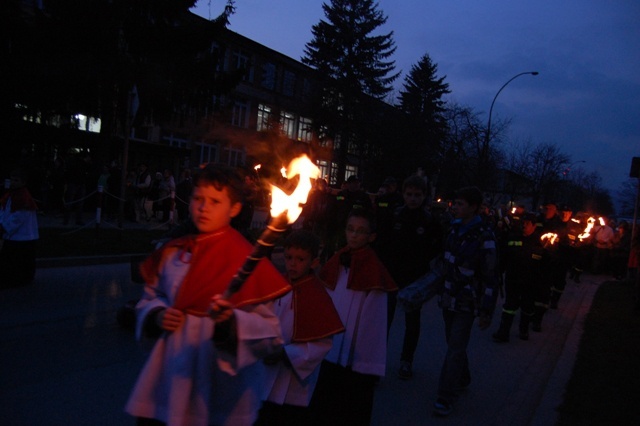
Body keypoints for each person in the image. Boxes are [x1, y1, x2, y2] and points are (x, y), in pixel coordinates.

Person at [125, 163, 291, 426]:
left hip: (217, 383)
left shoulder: (245, 259)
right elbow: (150, 296)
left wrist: (230, 323)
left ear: (234, 208)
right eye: (198, 199)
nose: (204, 207)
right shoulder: (174, 252)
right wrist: (156, 315)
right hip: (168, 375)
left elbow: (269, 334)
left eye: (215, 201)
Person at [310, 209, 397, 426]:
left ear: (371, 236)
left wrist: (361, 355)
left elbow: (371, 322)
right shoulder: (338, 259)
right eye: (350, 229)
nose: (354, 235)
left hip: (353, 353)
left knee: (350, 402)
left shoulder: (373, 269)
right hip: (333, 345)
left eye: (360, 231)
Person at [256, 230, 344, 426]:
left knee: (289, 417)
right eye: (288, 257)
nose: (293, 264)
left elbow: (322, 342)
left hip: (295, 378)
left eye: (300, 259)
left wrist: (288, 354)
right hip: (267, 368)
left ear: (313, 262)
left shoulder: (317, 296)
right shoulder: (277, 285)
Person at [432, 186, 498, 417]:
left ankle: (445, 396)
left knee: (455, 348)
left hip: (466, 302)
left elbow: (490, 276)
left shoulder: (485, 235)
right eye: (455, 203)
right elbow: (445, 261)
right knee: (454, 343)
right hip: (448, 298)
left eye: (460, 204)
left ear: (473, 207)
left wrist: (486, 310)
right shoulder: (453, 228)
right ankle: (463, 377)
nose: (455, 207)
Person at [377, 175, 443, 379]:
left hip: (415, 280)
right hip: (391, 276)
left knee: (412, 323)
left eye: (417, 195)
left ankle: (406, 360)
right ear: (403, 194)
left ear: (424, 196)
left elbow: (437, 248)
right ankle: (377, 363)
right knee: (383, 322)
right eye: (409, 194)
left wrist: (427, 271)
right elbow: (382, 244)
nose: (413, 199)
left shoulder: (430, 221)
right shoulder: (394, 216)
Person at [492, 213, 547, 342]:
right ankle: (503, 332)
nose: (524, 225)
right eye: (523, 222)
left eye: (527, 223)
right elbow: (504, 256)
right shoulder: (513, 238)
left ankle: (523, 330)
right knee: (509, 306)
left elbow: (546, 265)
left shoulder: (541, 242)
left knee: (527, 307)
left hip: (531, 281)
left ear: (534, 226)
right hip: (513, 278)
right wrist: (499, 272)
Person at [0, 169, 40, 289]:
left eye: (16, 180)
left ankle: (20, 279)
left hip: (23, 235)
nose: (13, 182)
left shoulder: (23, 197)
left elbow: (18, 217)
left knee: (19, 259)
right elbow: (4, 210)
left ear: (23, 182)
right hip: (14, 235)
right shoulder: (10, 195)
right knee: (11, 258)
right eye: (12, 179)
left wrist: (4, 227)